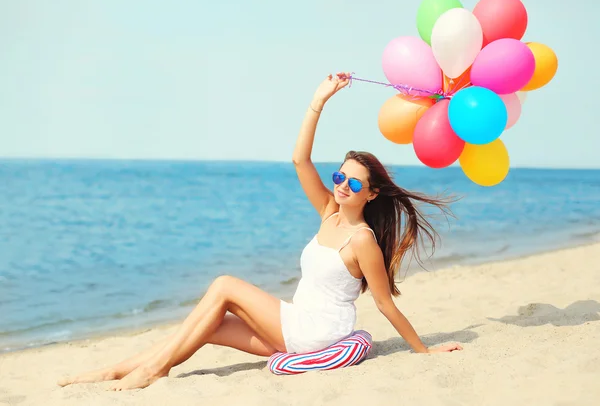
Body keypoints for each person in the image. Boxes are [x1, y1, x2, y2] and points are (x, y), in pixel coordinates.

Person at [57, 72, 463, 391]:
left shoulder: (362, 240)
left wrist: (425, 350)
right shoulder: (328, 211)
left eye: (354, 183)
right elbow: (299, 158)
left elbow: (385, 304)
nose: (342, 185)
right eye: (340, 176)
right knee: (205, 327)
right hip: (295, 322)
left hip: (316, 333)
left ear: (372, 194)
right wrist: (318, 101)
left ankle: (151, 372)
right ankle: (115, 370)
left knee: (224, 285)